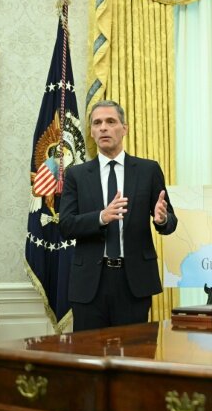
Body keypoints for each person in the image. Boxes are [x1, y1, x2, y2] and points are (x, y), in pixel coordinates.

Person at [59, 100, 177, 331]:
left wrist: (162, 219)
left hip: (134, 281)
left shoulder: (148, 170)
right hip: (90, 282)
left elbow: (170, 222)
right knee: (89, 357)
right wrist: (101, 217)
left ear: (124, 128)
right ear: (92, 132)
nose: (103, 127)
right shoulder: (76, 175)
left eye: (110, 121)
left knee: (135, 356)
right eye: (97, 123)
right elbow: (66, 225)